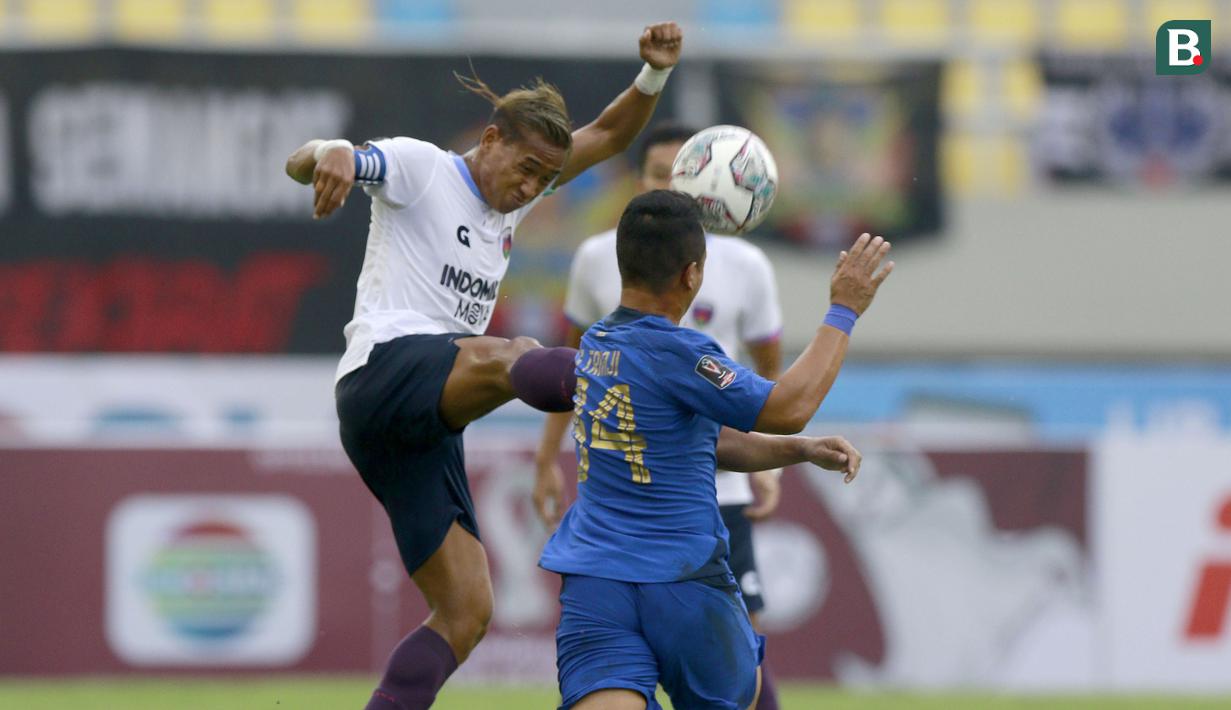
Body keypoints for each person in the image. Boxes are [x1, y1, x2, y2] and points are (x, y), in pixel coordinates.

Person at [283, 22, 684, 710]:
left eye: (544, 179)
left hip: (422, 423)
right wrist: (334, 154)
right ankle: (620, 379)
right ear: (490, 139)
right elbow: (310, 160)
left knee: (467, 612)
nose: (531, 187)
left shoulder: (511, 205)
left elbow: (611, 137)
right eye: (525, 169)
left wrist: (651, 75)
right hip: (385, 373)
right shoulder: (423, 167)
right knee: (512, 358)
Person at [538, 190, 894, 709]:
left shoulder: (595, 345)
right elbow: (788, 404)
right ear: (692, 275)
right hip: (683, 582)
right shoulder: (682, 353)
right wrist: (843, 309)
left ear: (623, 265)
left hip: (597, 582)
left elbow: (700, 440)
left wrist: (798, 450)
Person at [533, 122, 788, 707]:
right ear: (642, 181)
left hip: (717, 483)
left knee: (741, 646)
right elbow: (574, 371)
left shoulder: (747, 265)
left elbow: (768, 376)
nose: (678, 189)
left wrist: (767, 469)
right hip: (633, 485)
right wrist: (547, 459)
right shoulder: (601, 257)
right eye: (660, 175)